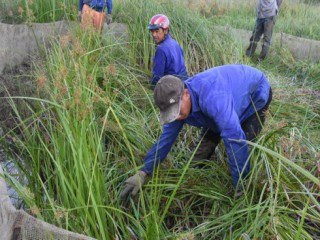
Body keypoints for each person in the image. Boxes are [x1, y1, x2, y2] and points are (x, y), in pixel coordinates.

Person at [120, 64, 272, 200]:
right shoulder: (181, 103)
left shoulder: (214, 100)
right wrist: (144, 172)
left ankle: (244, 188)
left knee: (242, 143)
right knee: (199, 157)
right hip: (224, 102)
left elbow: (235, 140)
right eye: (171, 114)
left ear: (185, 94)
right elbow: (165, 139)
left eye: (177, 111)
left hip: (255, 93)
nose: (177, 117)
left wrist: (240, 188)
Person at [148, 14, 188, 90]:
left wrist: (151, 90)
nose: (154, 35)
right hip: (183, 85)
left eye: (157, 31)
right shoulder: (175, 43)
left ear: (165, 30)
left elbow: (157, 76)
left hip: (172, 88)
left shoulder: (161, 49)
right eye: (152, 31)